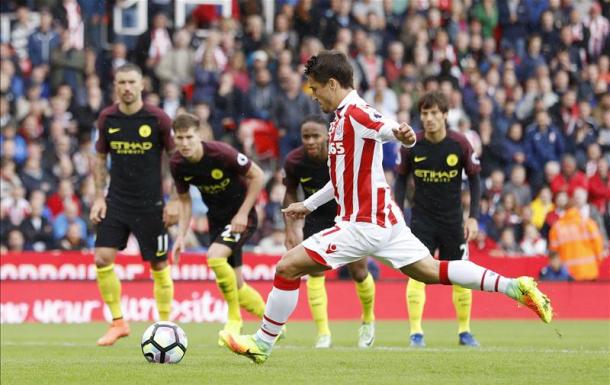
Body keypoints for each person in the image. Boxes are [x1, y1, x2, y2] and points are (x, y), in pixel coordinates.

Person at [219, 51, 553, 365]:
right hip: (384, 220)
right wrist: (306, 205)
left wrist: (403, 135)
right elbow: (340, 181)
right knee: (431, 270)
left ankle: (263, 344)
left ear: (333, 85)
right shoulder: (338, 120)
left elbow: (386, 127)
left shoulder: (356, 111)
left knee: (286, 267)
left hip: (362, 223)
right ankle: (514, 286)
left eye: (316, 88)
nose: (313, 95)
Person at [91, 63, 176, 346]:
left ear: (142, 85)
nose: (126, 88)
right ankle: (118, 322)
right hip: (116, 200)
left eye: (131, 82)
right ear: (115, 86)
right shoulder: (107, 118)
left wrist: (175, 199)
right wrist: (98, 197)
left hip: (151, 203)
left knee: (159, 263)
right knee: (102, 257)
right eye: (121, 83)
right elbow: (100, 158)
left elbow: (175, 159)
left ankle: (164, 324)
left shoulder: (158, 119)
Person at [394, 90, 483, 348]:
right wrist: (398, 211)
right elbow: (400, 179)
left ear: (445, 115)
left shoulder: (460, 144)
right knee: (416, 274)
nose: (429, 118)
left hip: (453, 222)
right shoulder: (412, 145)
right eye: (424, 113)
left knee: (462, 275)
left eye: (434, 113)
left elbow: (476, 179)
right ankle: (416, 333)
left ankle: (465, 331)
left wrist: (473, 217)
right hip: (421, 221)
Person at [169, 113, 267, 344]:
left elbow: (258, 175)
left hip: (242, 217)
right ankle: (273, 324)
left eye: (189, 137)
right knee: (238, 284)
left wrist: (243, 213)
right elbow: (184, 201)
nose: (184, 143)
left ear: (199, 135)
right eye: (179, 138)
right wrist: (181, 236)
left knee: (214, 256)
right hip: (217, 220)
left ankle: (234, 319)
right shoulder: (177, 164)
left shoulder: (220, 153)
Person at [283, 114, 376, 349]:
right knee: (314, 273)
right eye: (306, 136)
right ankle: (323, 333)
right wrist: (290, 229)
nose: (311, 141)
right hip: (316, 219)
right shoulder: (294, 161)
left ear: (327, 136)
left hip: (348, 215)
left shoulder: (341, 155)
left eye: (316, 136)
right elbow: (291, 193)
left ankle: (367, 320)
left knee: (359, 272)